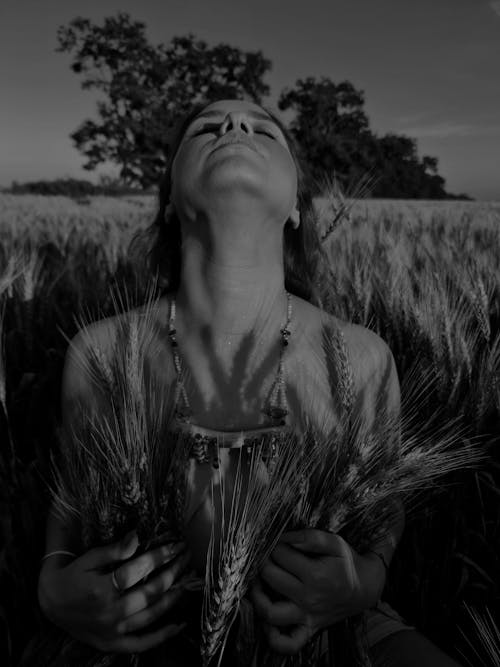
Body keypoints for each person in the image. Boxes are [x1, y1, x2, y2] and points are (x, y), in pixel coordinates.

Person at [36, 98, 463, 666]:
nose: (235, 125)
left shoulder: (362, 356)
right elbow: (67, 511)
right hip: (146, 638)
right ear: (168, 204)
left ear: (294, 207)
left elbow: (385, 510)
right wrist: (51, 588)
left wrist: (366, 582)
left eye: (264, 130)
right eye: (206, 128)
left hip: (335, 634)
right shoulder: (101, 352)